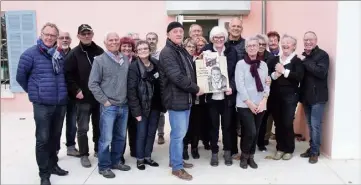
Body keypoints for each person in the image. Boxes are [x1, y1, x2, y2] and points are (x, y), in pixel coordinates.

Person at [16, 22, 69, 185]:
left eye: (53, 35)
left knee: (55, 137)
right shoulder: (29, 54)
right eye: (47, 34)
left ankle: (53, 165)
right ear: (41, 34)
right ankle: (44, 174)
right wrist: (35, 92)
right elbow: (20, 77)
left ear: (56, 38)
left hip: (59, 104)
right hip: (42, 105)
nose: (49, 37)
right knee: (43, 139)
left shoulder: (59, 54)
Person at [159, 21, 204, 181]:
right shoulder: (167, 52)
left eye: (180, 31)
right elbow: (176, 77)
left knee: (179, 133)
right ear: (168, 34)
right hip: (176, 99)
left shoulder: (180, 50)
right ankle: (177, 168)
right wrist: (196, 89)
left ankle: (175, 160)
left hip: (185, 99)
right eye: (175, 31)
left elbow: (190, 70)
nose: (178, 34)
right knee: (179, 134)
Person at [88, 32, 131, 178]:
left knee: (120, 137)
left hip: (124, 105)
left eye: (116, 39)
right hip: (109, 106)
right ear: (105, 43)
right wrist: (105, 101)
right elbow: (93, 84)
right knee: (106, 138)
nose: (114, 42)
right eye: (110, 40)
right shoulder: (99, 60)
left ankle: (116, 161)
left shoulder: (125, 59)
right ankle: (104, 166)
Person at [64, 24, 104, 168]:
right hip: (82, 98)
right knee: (83, 128)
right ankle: (84, 154)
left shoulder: (100, 51)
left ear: (92, 34)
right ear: (78, 36)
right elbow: (67, 75)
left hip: (98, 97)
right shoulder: (73, 54)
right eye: (83, 34)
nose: (86, 36)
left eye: (88, 33)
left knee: (99, 126)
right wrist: (76, 90)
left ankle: (99, 150)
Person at [200, 26, 238, 167]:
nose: (219, 40)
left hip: (227, 97)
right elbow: (200, 71)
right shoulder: (206, 50)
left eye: (221, 37)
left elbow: (235, 72)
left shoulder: (231, 51)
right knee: (213, 127)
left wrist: (232, 88)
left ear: (225, 38)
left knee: (227, 127)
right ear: (212, 39)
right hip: (212, 98)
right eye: (216, 37)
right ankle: (214, 153)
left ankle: (227, 151)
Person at [128, 40, 165, 170]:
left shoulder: (156, 63)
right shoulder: (134, 67)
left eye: (145, 48)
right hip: (141, 107)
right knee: (141, 133)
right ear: (137, 52)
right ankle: (140, 159)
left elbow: (161, 83)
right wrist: (136, 112)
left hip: (155, 105)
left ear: (149, 50)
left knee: (151, 133)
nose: (143, 51)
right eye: (140, 49)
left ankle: (148, 156)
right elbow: (131, 91)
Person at [268, 34, 304, 160]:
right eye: (283, 42)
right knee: (278, 123)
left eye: (288, 42)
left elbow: (299, 76)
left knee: (287, 122)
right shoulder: (274, 59)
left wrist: (284, 71)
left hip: (290, 96)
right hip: (275, 96)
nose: (285, 44)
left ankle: (289, 149)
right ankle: (280, 148)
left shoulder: (297, 61)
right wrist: (275, 75)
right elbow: (267, 76)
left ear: (294, 46)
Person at [235, 36, 269, 169]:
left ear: (259, 47)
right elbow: (240, 85)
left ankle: (251, 157)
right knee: (251, 131)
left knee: (256, 131)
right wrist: (249, 102)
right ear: (246, 48)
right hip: (245, 104)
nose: (252, 48)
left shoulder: (264, 65)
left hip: (260, 104)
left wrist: (264, 100)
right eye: (249, 46)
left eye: (255, 45)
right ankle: (244, 156)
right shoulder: (241, 64)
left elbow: (267, 83)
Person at [299, 31, 329, 164]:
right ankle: (312, 148)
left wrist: (305, 62)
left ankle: (315, 152)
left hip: (318, 97)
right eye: (305, 40)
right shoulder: (306, 56)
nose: (308, 42)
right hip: (306, 97)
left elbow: (321, 72)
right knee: (310, 126)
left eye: (310, 40)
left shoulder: (322, 55)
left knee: (315, 126)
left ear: (316, 41)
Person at [182, 38, 207, 160]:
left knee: (196, 124)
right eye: (189, 47)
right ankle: (184, 147)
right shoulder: (181, 60)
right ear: (184, 47)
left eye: (193, 47)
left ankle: (195, 148)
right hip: (186, 97)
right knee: (186, 125)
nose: (191, 49)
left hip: (199, 98)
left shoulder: (199, 60)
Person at [55, 31, 80, 157]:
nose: (64, 40)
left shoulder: (75, 53)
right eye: (61, 38)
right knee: (57, 124)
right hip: (57, 95)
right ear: (57, 39)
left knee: (72, 122)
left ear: (70, 40)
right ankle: (55, 150)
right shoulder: (52, 54)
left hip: (72, 95)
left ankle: (71, 147)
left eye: (67, 38)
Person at [255, 33, 275, 152]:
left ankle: (261, 143)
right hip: (252, 93)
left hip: (265, 93)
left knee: (263, 120)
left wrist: (270, 78)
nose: (261, 46)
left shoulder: (271, 58)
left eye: (264, 44)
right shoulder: (250, 56)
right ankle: (252, 141)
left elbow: (272, 74)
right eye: (259, 44)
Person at [119, 36, 137, 162]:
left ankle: (134, 150)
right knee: (121, 129)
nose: (127, 48)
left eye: (129, 46)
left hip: (134, 99)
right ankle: (119, 154)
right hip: (121, 99)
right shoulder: (116, 60)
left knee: (134, 127)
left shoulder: (136, 60)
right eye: (124, 46)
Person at [146, 32, 165, 145]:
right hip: (146, 87)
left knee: (160, 113)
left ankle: (161, 134)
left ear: (157, 41)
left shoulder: (161, 54)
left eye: (154, 39)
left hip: (158, 86)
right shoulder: (142, 53)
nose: (151, 41)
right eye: (149, 39)